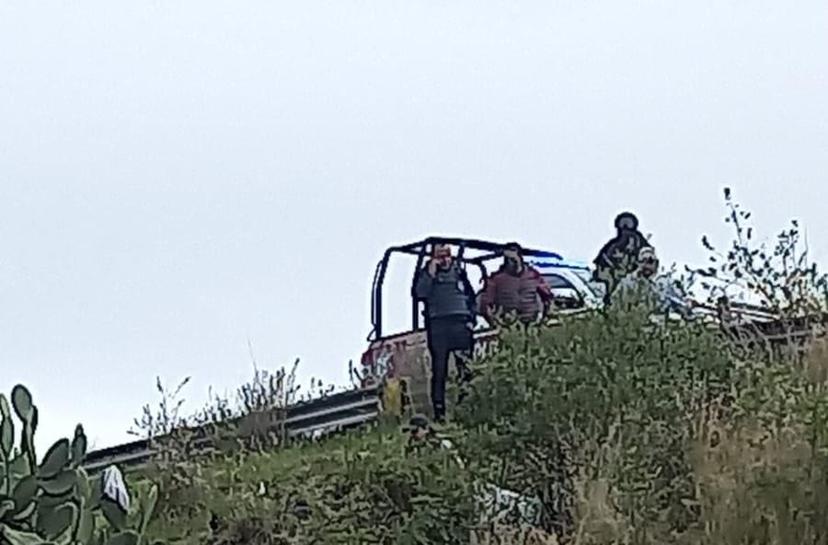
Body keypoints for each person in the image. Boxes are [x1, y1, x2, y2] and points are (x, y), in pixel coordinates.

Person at [413, 243, 477, 422]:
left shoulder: (459, 273)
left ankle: (466, 406)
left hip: (461, 323)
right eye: (440, 255)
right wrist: (431, 271)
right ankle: (439, 412)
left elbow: (471, 298)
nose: (445, 259)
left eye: (447, 254)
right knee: (439, 370)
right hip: (439, 325)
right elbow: (419, 293)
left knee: (466, 368)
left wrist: (472, 320)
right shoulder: (427, 275)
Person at [477, 242, 554, 324]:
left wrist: (544, 318)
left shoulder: (534, 275)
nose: (514, 262)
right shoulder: (496, 279)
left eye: (515, 259)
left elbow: (548, 297)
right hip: (508, 324)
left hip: (531, 323)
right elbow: (485, 304)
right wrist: (495, 323)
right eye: (510, 259)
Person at [613, 246, 693, 318]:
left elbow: (681, 302)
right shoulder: (626, 283)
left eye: (650, 261)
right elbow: (615, 305)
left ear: (656, 263)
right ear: (638, 263)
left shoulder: (666, 283)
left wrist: (687, 304)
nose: (646, 264)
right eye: (643, 261)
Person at [593, 212, 652, 303]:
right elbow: (601, 261)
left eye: (628, 224)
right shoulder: (613, 244)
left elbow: (649, 259)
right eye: (623, 224)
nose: (625, 228)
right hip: (614, 278)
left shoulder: (640, 242)